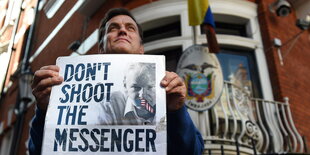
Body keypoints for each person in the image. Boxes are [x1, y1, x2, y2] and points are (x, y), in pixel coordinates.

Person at [29, 8, 204, 155]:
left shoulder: (163, 91)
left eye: (130, 28)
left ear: (142, 49)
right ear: (100, 49)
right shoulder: (67, 86)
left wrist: (176, 112)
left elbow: (192, 151)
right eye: (113, 28)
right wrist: (45, 111)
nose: (122, 30)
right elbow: (40, 150)